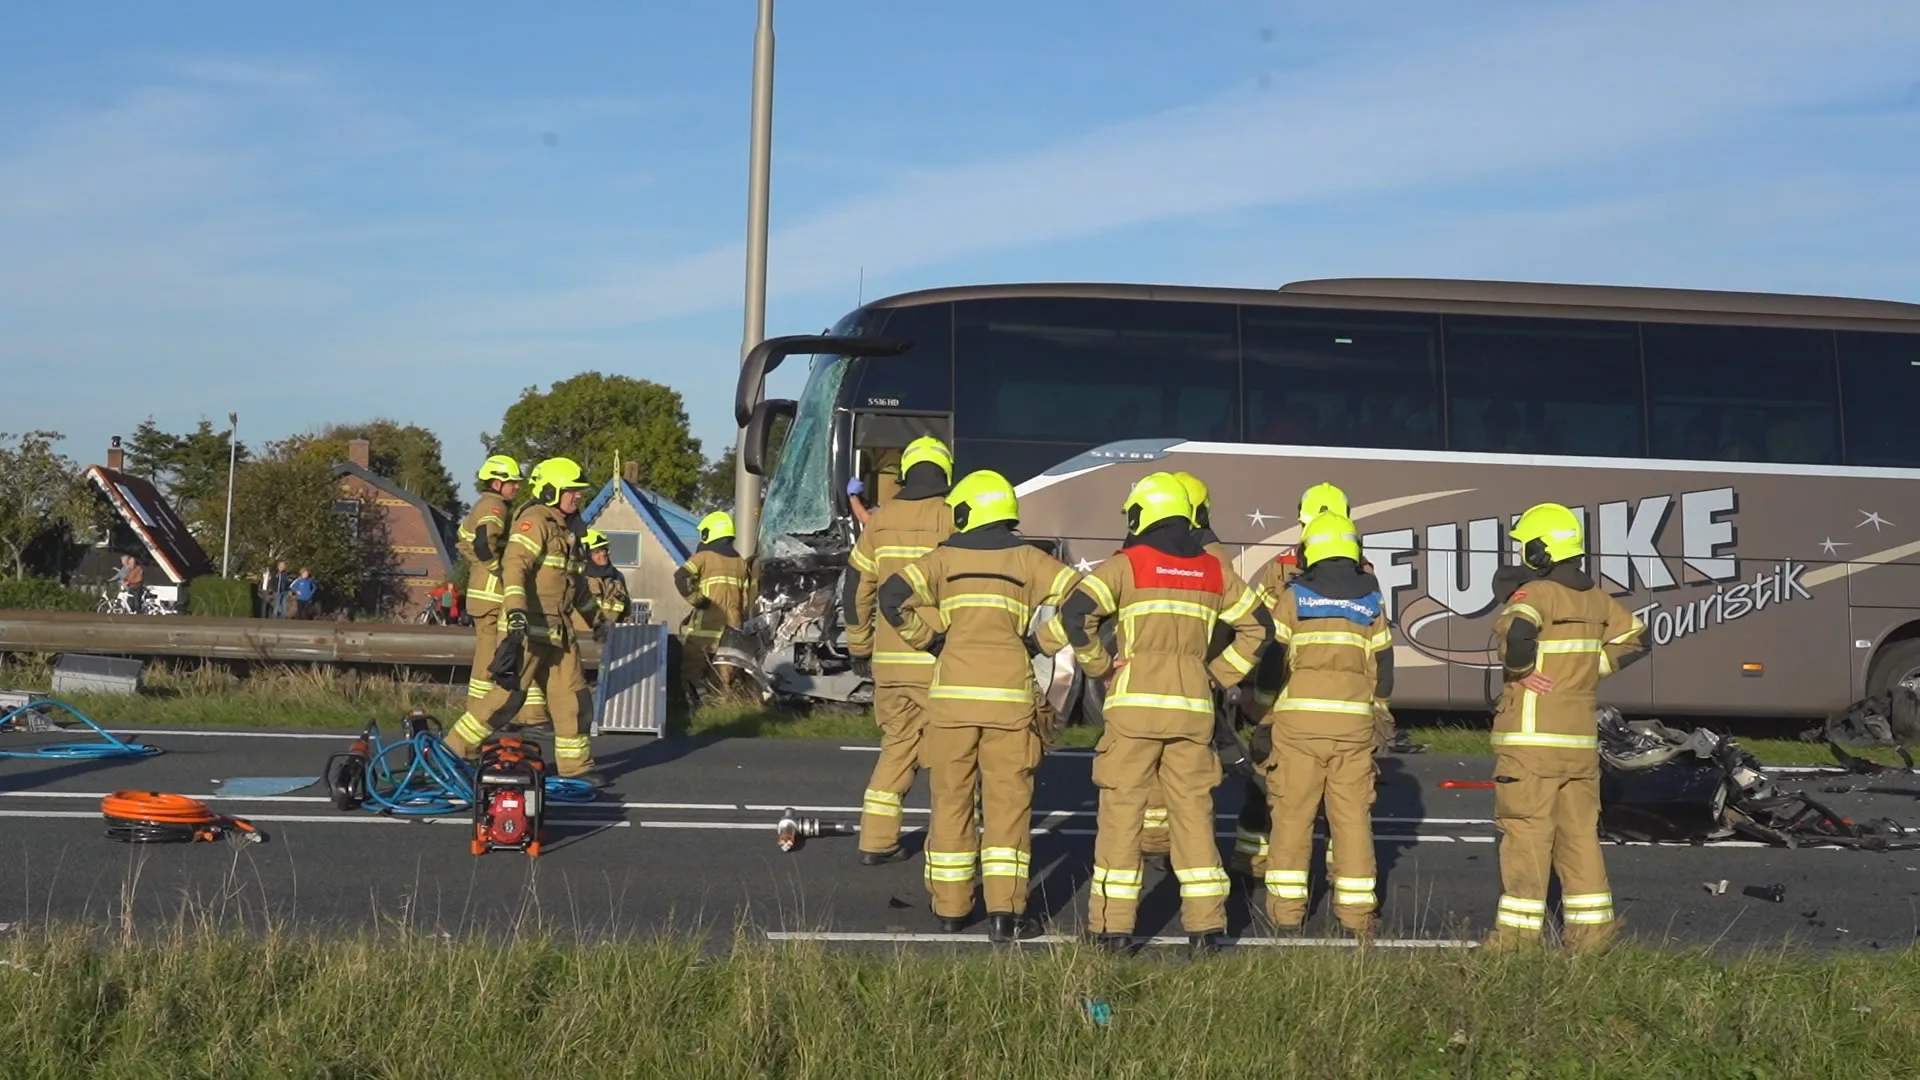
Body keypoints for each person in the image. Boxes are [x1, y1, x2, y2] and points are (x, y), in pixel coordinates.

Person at [1063, 472, 1270, 955]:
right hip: (1193, 712)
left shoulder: (1127, 565)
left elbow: (1076, 614)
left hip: (1134, 710)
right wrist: (1215, 675)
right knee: (1194, 817)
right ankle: (1206, 929)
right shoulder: (1213, 571)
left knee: (1121, 818)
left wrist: (1101, 666)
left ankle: (1112, 931)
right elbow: (1258, 628)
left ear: (1142, 514)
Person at [877, 469, 1077, 942]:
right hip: (1010, 704)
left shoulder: (942, 560)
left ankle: (950, 908)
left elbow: (892, 597)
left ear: (967, 512)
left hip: (950, 705)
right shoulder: (1031, 560)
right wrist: (1040, 643)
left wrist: (932, 641)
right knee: (1008, 808)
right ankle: (1006, 914)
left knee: (951, 804)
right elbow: (1087, 600)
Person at [1485, 503, 1648, 952]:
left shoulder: (1536, 594)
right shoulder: (1597, 601)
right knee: (1579, 838)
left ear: (1541, 550)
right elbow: (1638, 639)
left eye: (1525, 546)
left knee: (1526, 836)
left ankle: (1515, 941)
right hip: (1578, 743)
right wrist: (1590, 668)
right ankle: (1592, 935)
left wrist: (1520, 671)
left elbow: (1519, 636)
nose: (1521, 555)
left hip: (1532, 743)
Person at [1260, 512, 1394, 937]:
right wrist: (1380, 709)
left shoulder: (1294, 595)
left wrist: (1264, 714)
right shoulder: (1371, 599)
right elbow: (1385, 664)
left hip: (1298, 727)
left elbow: (1272, 663)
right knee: (1352, 820)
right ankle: (1356, 916)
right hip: (1353, 727)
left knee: (1293, 818)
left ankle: (1286, 915)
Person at [445, 457, 608, 788]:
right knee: (506, 699)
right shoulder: (534, 522)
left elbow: (575, 584)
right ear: (551, 492)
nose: (578, 497)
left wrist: (596, 619)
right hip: (529, 628)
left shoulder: (569, 531)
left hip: (559, 632)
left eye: (579, 492)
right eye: (571, 491)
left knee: (573, 699)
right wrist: (516, 611)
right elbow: (514, 567)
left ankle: (576, 767)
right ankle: (451, 752)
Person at [842, 435, 954, 865]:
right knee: (950, 759)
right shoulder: (951, 519)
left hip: (890, 662)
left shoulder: (880, 521)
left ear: (906, 473)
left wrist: (859, 644)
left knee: (897, 748)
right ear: (945, 473)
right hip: (937, 657)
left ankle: (876, 841)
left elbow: (857, 587)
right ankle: (948, 847)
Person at [453, 456, 524, 734]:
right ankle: (481, 716)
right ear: (496, 483)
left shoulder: (483, 505)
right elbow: (484, 543)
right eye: (511, 482)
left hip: (482, 590)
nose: (516, 487)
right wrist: (501, 571)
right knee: (490, 657)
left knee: (487, 656)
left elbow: (466, 539)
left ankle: (480, 714)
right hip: (492, 593)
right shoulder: (495, 506)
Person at [674, 511, 751, 701]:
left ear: (710, 533)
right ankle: (723, 706)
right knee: (726, 672)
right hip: (733, 626)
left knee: (693, 667)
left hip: (706, 624)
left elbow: (680, 578)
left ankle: (693, 704)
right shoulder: (741, 563)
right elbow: (747, 598)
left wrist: (698, 601)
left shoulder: (703, 557)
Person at [579, 529, 632, 631]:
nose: (603, 554)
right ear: (585, 555)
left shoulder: (617, 577)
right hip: (587, 637)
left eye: (604, 549)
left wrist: (627, 632)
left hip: (614, 635)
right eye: (597, 552)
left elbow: (627, 610)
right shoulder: (580, 580)